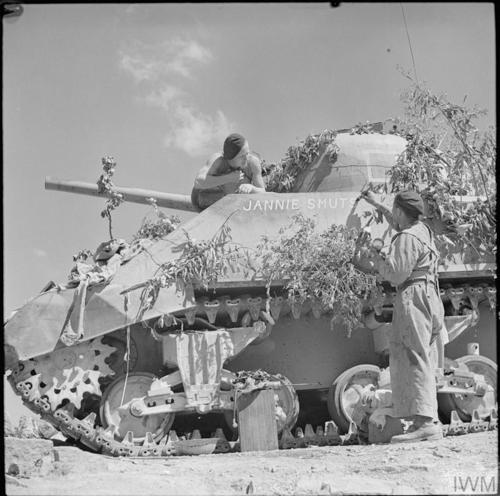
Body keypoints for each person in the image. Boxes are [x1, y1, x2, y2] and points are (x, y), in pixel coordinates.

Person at [356, 189, 446, 443]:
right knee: (422, 357)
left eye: (393, 211)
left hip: (413, 298)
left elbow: (395, 275)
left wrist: (375, 254)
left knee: (414, 358)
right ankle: (426, 420)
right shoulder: (423, 231)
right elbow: (400, 224)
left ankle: (426, 424)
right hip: (429, 296)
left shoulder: (406, 238)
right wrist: (379, 204)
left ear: (399, 212)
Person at [191, 133, 266, 210]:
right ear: (230, 158)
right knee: (232, 180)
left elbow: (263, 192)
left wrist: (251, 188)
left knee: (244, 181)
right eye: (242, 156)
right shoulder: (219, 161)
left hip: (233, 201)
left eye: (247, 153)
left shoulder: (252, 162)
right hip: (202, 198)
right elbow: (198, 182)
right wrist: (228, 178)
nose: (246, 158)